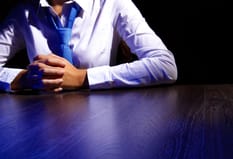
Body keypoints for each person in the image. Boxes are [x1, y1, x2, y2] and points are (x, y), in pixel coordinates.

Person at [0, 0, 178, 93]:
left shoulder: (112, 3)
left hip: (100, 123)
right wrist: (22, 79)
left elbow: (165, 65)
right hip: (42, 124)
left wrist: (81, 78)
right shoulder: (24, 11)